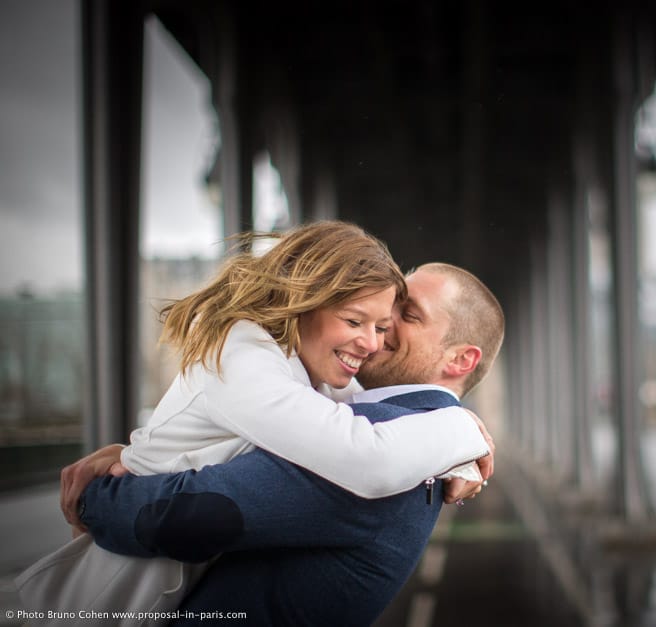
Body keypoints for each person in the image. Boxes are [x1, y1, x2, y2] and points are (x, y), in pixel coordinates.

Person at [15, 223, 493, 623]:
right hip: (113, 597)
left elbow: (359, 445)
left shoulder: (338, 393)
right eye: (358, 320)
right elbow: (356, 449)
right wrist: (463, 432)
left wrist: (462, 441)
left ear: (462, 358)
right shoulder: (245, 351)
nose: (372, 340)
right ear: (309, 301)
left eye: (391, 322)